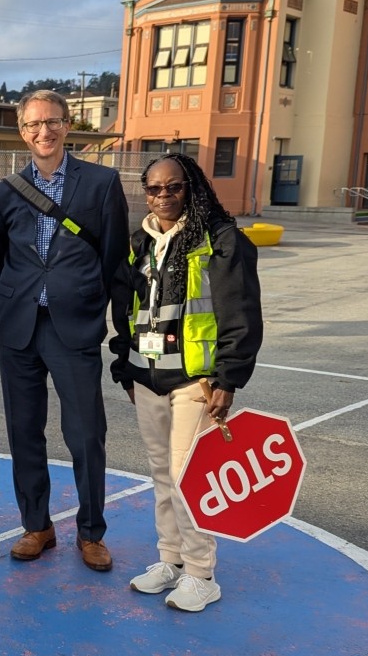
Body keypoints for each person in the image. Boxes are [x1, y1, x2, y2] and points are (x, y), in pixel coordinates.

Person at [109, 153, 263, 612]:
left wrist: (227, 379)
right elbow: (125, 310)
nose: (163, 196)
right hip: (146, 378)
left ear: (191, 187)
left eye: (173, 187)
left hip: (195, 382)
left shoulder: (221, 240)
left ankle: (201, 573)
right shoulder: (140, 243)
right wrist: (125, 368)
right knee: (160, 474)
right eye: (154, 189)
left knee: (187, 478)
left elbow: (241, 314)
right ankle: (170, 560)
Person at [0, 90, 128, 572]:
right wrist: (29, 292)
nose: (43, 131)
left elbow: (113, 258)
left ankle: (91, 532)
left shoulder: (102, 183)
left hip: (75, 326)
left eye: (52, 122)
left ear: (68, 125)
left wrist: (83, 296)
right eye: (33, 125)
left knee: (86, 434)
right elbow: (2, 258)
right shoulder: (3, 192)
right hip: (20, 327)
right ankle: (37, 526)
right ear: (22, 132)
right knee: (24, 431)